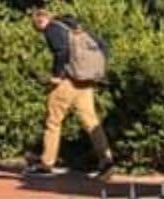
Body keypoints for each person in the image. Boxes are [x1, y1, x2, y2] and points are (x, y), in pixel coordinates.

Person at [26, 9, 114, 178]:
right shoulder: (74, 27)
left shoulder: (51, 29)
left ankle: (47, 163)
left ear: (39, 21)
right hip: (85, 81)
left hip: (68, 81)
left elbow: (61, 52)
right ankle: (106, 161)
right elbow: (102, 46)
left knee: (53, 121)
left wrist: (56, 76)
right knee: (91, 121)